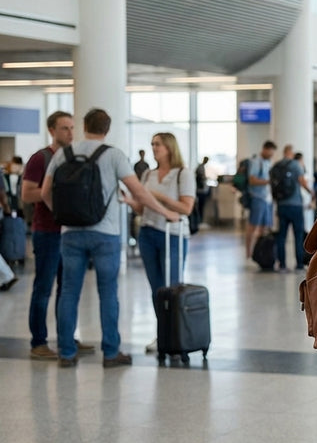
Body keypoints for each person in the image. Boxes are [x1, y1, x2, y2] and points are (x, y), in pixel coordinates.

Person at [42, 108, 180, 368]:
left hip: (70, 233)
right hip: (104, 233)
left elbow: (46, 192)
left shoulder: (63, 154)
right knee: (108, 292)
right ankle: (110, 352)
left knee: (69, 292)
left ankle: (67, 353)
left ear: (84, 126)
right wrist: (166, 213)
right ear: (108, 129)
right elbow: (138, 191)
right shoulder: (113, 155)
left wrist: (61, 215)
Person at [20, 111, 95, 359]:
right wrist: (53, 190)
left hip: (71, 234)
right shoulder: (40, 159)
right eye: (65, 128)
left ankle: (66, 337)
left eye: (73, 128)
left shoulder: (75, 159)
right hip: (47, 233)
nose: (71, 133)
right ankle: (38, 342)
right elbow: (27, 194)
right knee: (43, 288)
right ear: (52, 130)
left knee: (68, 289)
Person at [119, 133, 195, 355]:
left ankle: (177, 334)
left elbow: (186, 208)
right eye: (152, 144)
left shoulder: (183, 174)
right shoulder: (148, 174)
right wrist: (131, 201)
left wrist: (156, 196)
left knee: (172, 286)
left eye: (158, 145)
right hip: (148, 233)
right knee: (157, 289)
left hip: (173, 234)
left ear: (170, 148)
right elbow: (143, 208)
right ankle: (163, 334)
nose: (154, 148)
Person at [273, 144, 313, 271]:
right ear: (291, 153)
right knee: (298, 235)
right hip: (295, 205)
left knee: (282, 236)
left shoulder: (276, 166)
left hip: (281, 205)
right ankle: (299, 264)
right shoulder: (295, 165)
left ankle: (282, 264)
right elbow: (302, 181)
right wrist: (311, 192)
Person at [245, 140, 277, 262]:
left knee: (265, 227)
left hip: (267, 199)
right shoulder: (256, 162)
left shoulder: (268, 162)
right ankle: (248, 252)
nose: (271, 155)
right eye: (270, 152)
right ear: (265, 149)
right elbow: (252, 180)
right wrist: (268, 182)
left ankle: (259, 251)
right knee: (252, 226)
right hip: (257, 197)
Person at [194, 156, 211, 227]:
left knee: (201, 206)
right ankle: (199, 221)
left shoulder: (201, 167)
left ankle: (200, 221)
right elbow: (201, 177)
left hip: (201, 190)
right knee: (200, 206)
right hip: (200, 191)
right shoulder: (200, 167)